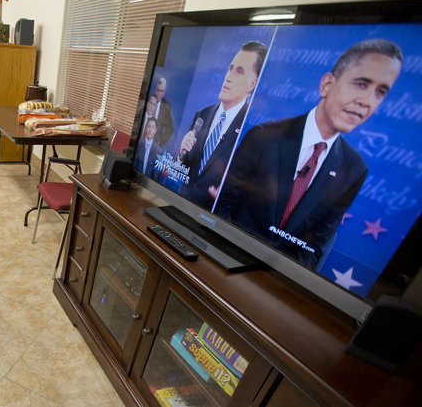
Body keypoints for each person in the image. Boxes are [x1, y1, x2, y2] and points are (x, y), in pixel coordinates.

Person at [216, 39, 403, 270]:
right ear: (326, 84)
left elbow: (315, 248)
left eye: (380, 92)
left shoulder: (354, 170)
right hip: (227, 259)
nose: (367, 101)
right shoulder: (263, 137)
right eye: (361, 84)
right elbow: (221, 209)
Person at [177, 41, 268, 210]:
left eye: (239, 72)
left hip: (212, 223)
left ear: (252, 84)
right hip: (178, 207)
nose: (228, 77)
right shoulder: (202, 115)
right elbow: (183, 169)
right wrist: (181, 154)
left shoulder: (252, 131)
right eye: (230, 68)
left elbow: (249, 195)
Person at [146, 78, 173, 147]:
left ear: (164, 92)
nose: (158, 93)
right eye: (157, 90)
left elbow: (170, 129)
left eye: (161, 91)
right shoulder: (149, 99)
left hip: (154, 144)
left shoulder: (166, 106)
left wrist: (159, 142)